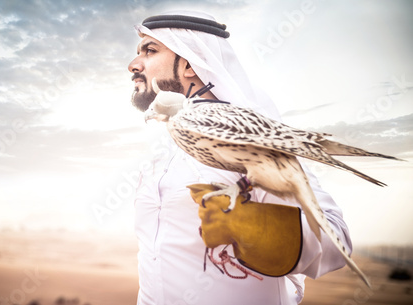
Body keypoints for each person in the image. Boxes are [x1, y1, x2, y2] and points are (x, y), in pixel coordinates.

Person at [128, 10, 351, 305]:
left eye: (150, 50)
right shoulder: (162, 149)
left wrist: (253, 226)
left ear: (191, 64)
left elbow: (337, 242)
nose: (133, 64)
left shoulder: (249, 136)